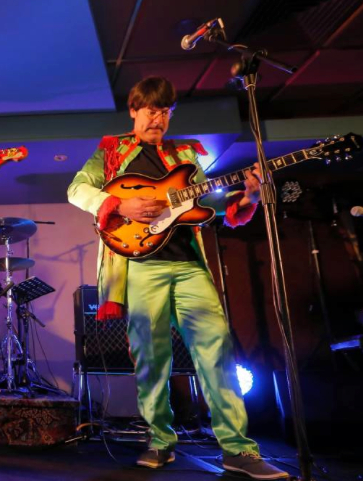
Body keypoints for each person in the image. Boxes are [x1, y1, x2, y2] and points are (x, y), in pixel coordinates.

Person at [67, 76, 288, 479]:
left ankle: (238, 449)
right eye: (151, 109)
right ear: (134, 110)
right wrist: (118, 203)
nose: (158, 117)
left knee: (217, 349)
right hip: (140, 267)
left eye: (165, 110)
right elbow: (77, 189)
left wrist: (249, 196)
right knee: (151, 358)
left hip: (188, 264)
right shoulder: (112, 151)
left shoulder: (187, 154)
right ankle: (160, 439)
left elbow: (205, 204)